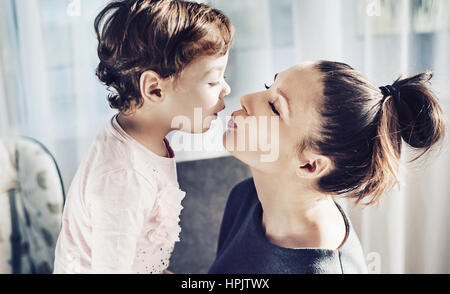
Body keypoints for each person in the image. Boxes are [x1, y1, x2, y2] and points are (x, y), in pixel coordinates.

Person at [209, 61, 445, 274]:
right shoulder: (245, 196)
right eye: (269, 85)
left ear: (311, 165)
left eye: (274, 108)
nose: (247, 98)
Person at [53, 0, 234, 274]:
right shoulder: (124, 176)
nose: (226, 89)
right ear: (154, 89)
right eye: (212, 81)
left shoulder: (142, 140)